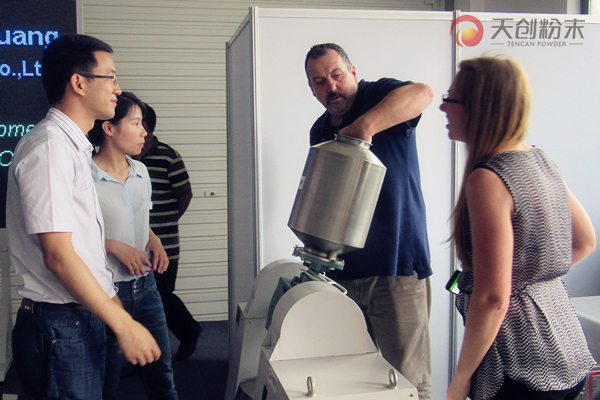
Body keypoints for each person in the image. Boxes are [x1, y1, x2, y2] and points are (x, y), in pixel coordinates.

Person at [6, 34, 160, 399]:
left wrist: (110, 306)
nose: (118, 89)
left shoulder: (73, 147)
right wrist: (124, 324)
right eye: (111, 77)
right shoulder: (50, 149)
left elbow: (81, 244)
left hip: (77, 318)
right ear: (78, 83)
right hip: (60, 326)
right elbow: (58, 255)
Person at [441, 56, 596, 400]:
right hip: (566, 353)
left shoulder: (488, 178)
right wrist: (529, 279)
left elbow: (493, 299)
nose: (442, 107)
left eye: (451, 99)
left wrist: (460, 379)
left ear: (480, 108)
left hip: (521, 366)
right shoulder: (538, 158)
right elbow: (585, 242)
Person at [304, 43, 435, 400]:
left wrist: (364, 126)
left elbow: (423, 93)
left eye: (336, 75)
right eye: (319, 82)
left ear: (353, 72)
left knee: (408, 383)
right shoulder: (320, 131)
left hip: (396, 270)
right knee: (357, 380)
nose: (331, 87)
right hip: (343, 274)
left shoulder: (378, 95)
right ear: (312, 89)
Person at [88, 91, 179, 400]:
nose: (144, 132)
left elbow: (138, 216)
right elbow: (70, 237)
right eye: (137, 123)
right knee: (107, 382)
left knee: (162, 374)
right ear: (109, 128)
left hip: (146, 287)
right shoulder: (84, 177)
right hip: (107, 291)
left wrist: (154, 240)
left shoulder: (141, 172)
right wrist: (112, 245)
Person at [133, 103, 202, 361]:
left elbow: (185, 194)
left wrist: (169, 222)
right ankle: (140, 354)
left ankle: (189, 332)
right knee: (139, 298)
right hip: (133, 244)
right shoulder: (126, 156)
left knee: (161, 294)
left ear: (145, 126)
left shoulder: (168, 156)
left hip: (165, 245)